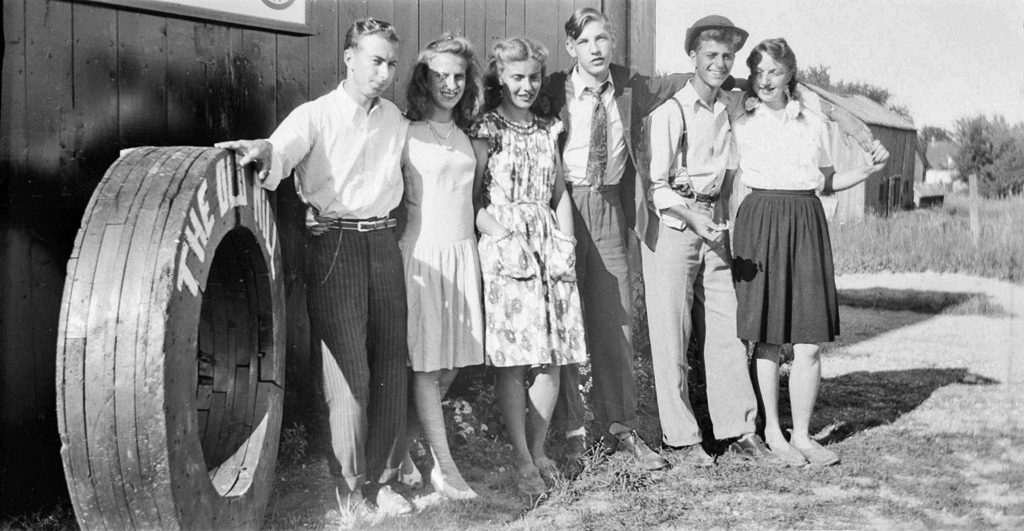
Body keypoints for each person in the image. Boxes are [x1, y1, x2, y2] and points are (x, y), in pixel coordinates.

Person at [215, 18, 413, 516]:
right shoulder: (316, 115)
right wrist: (263, 152)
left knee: (391, 362)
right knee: (349, 372)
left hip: (384, 244)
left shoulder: (395, 118)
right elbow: (278, 154)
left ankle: (386, 482)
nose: (384, 72)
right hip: (334, 248)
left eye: (391, 63)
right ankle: (350, 488)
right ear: (349, 58)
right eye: (375, 61)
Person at [535, 7, 691, 473]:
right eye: (586, 42)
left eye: (603, 39)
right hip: (559, 208)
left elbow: (691, 80)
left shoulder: (630, 87)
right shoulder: (551, 91)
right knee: (561, 324)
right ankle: (567, 433)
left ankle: (620, 429)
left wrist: (751, 90)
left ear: (613, 43)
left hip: (607, 209)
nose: (596, 49)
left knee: (615, 322)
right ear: (571, 48)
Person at [731, 38, 889, 467]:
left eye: (775, 72)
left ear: (790, 76)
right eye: (759, 71)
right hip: (761, 218)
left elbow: (829, 181)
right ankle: (772, 431)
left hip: (806, 221)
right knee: (767, 338)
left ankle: (802, 434)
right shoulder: (740, 116)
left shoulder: (811, 120)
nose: (766, 81)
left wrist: (870, 170)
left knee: (808, 342)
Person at [640, 15, 775, 467]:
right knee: (672, 334)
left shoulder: (729, 106)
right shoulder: (671, 109)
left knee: (727, 329)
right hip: (675, 226)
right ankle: (681, 439)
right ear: (692, 56)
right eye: (711, 55)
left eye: (727, 56)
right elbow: (655, 184)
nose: (719, 63)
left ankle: (738, 430)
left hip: (716, 224)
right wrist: (690, 218)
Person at [470, 36, 587, 495]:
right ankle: (520, 457)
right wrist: (500, 235)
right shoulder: (486, 130)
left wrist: (565, 242)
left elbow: (559, 194)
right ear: (501, 76)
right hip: (506, 246)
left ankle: (540, 449)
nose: (527, 85)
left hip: (547, 245)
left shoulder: (547, 128)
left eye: (534, 77)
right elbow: (472, 198)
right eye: (518, 77)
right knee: (516, 357)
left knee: (550, 355)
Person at [392, 34, 485, 500]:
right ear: (424, 80)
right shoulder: (405, 133)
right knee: (427, 368)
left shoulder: (471, 137)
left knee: (447, 369)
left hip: (463, 255)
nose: (450, 84)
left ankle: (402, 451)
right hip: (424, 257)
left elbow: (473, 202)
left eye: (458, 76)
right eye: (441, 75)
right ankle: (445, 470)